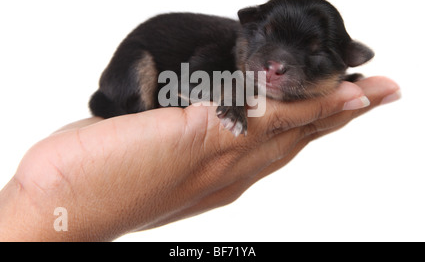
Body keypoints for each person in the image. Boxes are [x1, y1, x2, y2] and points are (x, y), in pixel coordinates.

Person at [0, 77, 400, 241]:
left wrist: (38, 206)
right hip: (134, 84)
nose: (276, 69)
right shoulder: (226, 62)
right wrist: (49, 202)